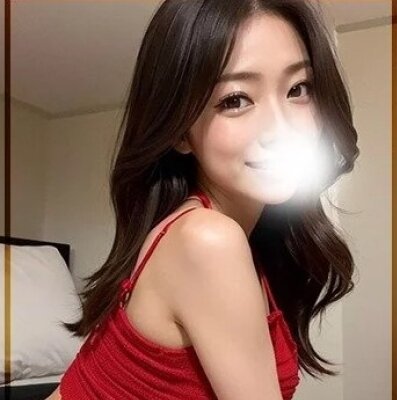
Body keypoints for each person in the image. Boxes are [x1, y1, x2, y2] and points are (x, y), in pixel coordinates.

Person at [47, 0, 360, 399]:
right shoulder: (207, 240)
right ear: (180, 131)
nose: (281, 129)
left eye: (298, 89)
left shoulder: (236, 238)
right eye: (235, 100)